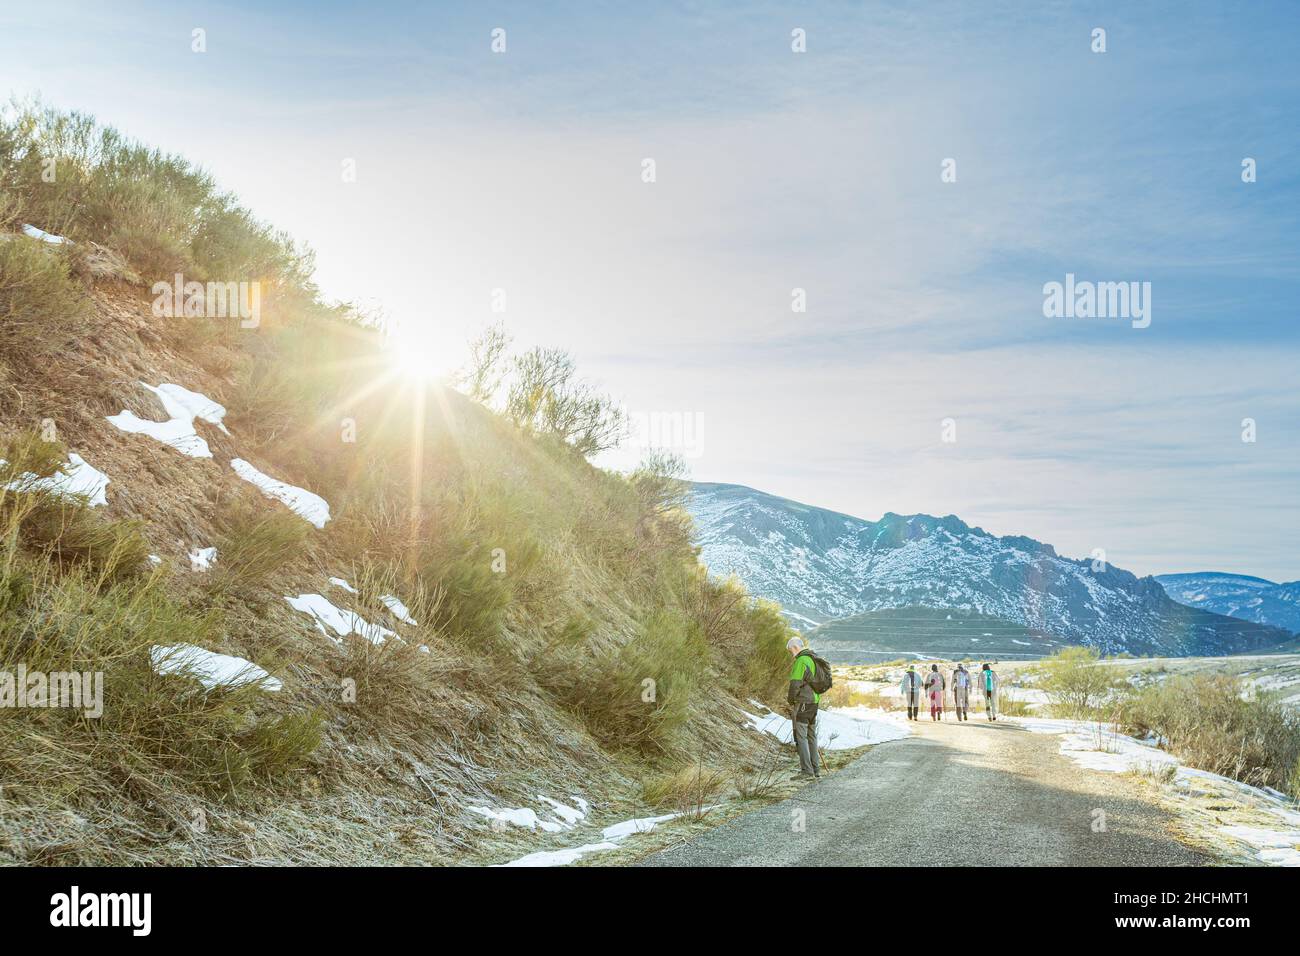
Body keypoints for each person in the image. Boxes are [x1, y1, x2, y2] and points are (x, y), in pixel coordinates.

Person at [785, 637, 821, 778]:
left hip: (804, 703)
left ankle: (806, 771)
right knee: (811, 735)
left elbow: (795, 684)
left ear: (794, 647)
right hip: (814, 702)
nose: (790, 654)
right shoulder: (814, 659)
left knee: (801, 737)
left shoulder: (801, 661)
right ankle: (815, 769)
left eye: (790, 651)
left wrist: (790, 699)